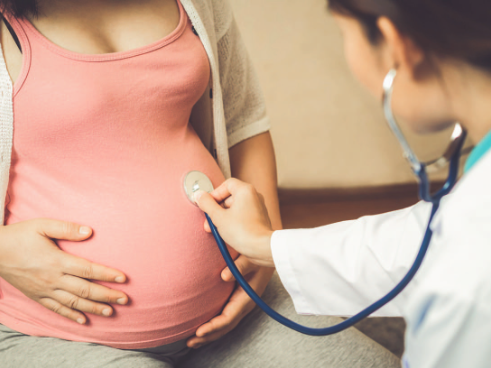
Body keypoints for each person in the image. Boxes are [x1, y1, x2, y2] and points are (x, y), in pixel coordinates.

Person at [0, 0, 400, 367]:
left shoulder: (197, 3)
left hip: (234, 305)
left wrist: (266, 249)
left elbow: (244, 119)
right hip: (51, 330)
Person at [194, 0, 491, 367]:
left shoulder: (469, 281)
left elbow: (455, 255)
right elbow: (421, 243)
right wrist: (268, 245)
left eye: (344, 35)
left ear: (397, 45)